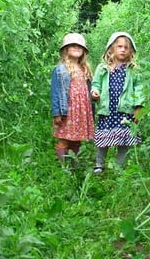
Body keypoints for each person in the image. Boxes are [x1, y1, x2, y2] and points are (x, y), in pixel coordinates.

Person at [91, 31, 144, 173]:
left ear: (131, 51)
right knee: (103, 138)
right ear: (111, 49)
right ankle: (99, 164)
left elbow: (139, 89)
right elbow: (95, 83)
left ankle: (119, 167)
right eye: (119, 46)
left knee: (124, 140)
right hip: (107, 110)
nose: (123, 49)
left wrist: (138, 108)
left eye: (126, 47)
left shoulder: (133, 70)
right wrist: (95, 92)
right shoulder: (103, 68)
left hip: (125, 111)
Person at [51, 33, 94, 166]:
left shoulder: (84, 69)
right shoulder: (60, 69)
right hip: (68, 109)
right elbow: (56, 91)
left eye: (79, 46)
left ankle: (73, 167)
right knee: (64, 138)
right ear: (66, 49)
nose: (76, 47)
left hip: (81, 110)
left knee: (76, 139)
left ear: (84, 51)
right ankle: (62, 167)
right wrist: (57, 112)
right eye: (72, 45)